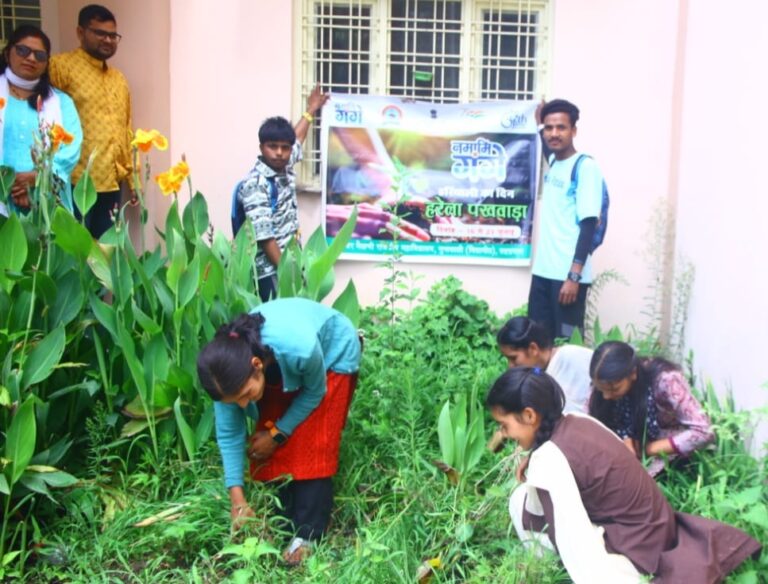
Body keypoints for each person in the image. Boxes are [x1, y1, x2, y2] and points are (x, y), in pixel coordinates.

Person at [488, 368, 761, 583]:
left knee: (522, 503)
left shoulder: (549, 458)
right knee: (527, 497)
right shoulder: (578, 420)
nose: (505, 435)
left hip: (641, 552)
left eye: (504, 426)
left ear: (529, 415)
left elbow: (573, 541)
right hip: (658, 529)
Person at [197, 298, 361, 565]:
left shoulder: (300, 348)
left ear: (257, 365)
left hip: (332, 356)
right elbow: (230, 435)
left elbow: (315, 391)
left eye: (244, 395)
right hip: (286, 365)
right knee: (263, 443)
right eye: (234, 401)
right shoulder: (225, 378)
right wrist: (237, 501)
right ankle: (282, 522)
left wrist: (279, 433)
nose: (242, 405)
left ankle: (308, 534)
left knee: (312, 441)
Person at [231, 86, 329, 302]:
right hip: (269, 271)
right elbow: (265, 238)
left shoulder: (283, 166)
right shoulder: (256, 184)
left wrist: (311, 109)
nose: (279, 152)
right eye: (272, 146)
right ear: (261, 147)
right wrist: (288, 274)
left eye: (284, 147)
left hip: (288, 262)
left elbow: (298, 138)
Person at [49, 4, 131, 238]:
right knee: (74, 255)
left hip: (112, 182)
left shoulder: (119, 79)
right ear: (80, 32)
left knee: (107, 255)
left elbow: (125, 130)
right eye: (99, 33)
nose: (107, 40)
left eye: (112, 35)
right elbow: (45, 116)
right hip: (74, 180)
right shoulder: (60, 67)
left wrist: (133, 180)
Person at [529, 98, 604, 341]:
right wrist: (539, 123)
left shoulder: (585, 167)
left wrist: (574, 277)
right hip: (543, 272)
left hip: (567, 277)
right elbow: (547, 145)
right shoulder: (554, 162)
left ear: (574, 131)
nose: (554, 134)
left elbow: (589, 224)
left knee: (566, 345)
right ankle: (542, 381)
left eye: (561, 127)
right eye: (549, 128)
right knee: (539, 343)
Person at [589, 340, 715, 477]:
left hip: (665, 439)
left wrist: (647, 449)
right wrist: (626, 440)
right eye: (601, 390)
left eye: (614, 389)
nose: (606, 396)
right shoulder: (605, 383)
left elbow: (704, 431)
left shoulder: (667, 381)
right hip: (636, 439)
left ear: (633, 374)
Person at [0, 25, 82, 214]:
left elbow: (72, 147)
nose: (30, 58)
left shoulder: (62, 102)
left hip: (47, 200)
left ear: (46, 63)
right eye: (22, 50)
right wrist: (7, 183)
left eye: (39, 55)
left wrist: (38, 177)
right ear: (7, 54)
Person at [497, 316, 592, 413]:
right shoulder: (537, 372)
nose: (510, 366)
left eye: (513, 358)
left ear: (533, 349)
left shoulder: (570, 356)